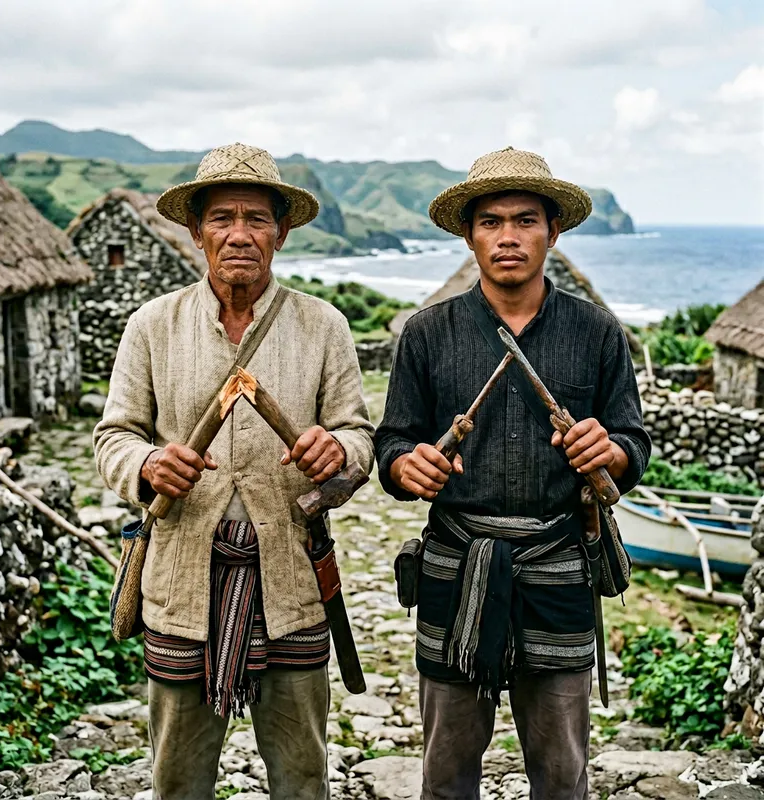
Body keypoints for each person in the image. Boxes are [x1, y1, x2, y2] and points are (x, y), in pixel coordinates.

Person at [94, 143, 375, 800]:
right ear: (196, 231)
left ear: (282, 231)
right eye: (222, 218)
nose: (240, 234)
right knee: (177, 777)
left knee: (302, 775)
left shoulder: (322, 326)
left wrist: (339, 454)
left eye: (256, 218)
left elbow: (358, 435)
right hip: (180, 584)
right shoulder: (152, 328)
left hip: (292, 580)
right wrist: (147, 464)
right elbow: (113, 438)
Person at [375, 146, 651, 800]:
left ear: (553, 231)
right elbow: (392, 442)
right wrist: (405, 465)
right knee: (447, 773)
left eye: (525, 220)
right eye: (491, 221)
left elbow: (633, 442)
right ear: (469, 234)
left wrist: (606, 452)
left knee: (560, 771)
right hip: (456, 565)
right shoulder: (427, 333)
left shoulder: (596, 333)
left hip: (556, 567)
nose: (508, 236)